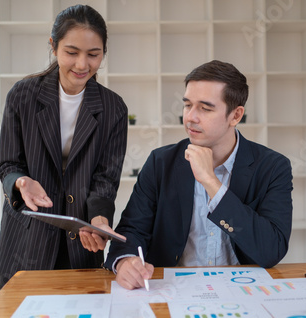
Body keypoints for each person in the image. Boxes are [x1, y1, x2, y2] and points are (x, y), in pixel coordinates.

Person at [104, 60, 293, 290]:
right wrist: (125, 261)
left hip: (244, 290)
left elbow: (270, 250)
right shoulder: (161, 162)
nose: (190, 117)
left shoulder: (273, 167)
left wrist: (211, 183)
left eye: (205, 108)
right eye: (187, 105)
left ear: (235, 115)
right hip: (174, 291)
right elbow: (132, 231)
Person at [0, 4, 127, 290]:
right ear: (53, 47)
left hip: (82, 245)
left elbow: (106, 179)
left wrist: (99, 219)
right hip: (25, 245)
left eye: (93, 54)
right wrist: (21, 182)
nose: (82, 65)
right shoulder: (22, 96)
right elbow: (8, 164)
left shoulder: (113, 108)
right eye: (72, 52)